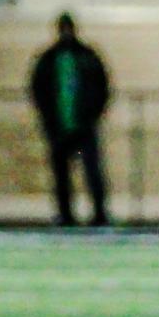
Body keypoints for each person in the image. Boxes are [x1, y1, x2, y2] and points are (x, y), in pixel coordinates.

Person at [28, 13, 110, 226]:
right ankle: (66, 214)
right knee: (62, 175)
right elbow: (38, 91)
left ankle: (99, 213)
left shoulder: (86, 57)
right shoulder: (49, 59)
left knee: (91, 172)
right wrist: (48, 118)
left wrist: (93, 115)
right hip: (60, 128)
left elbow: (102, 87)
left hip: (83, 127)